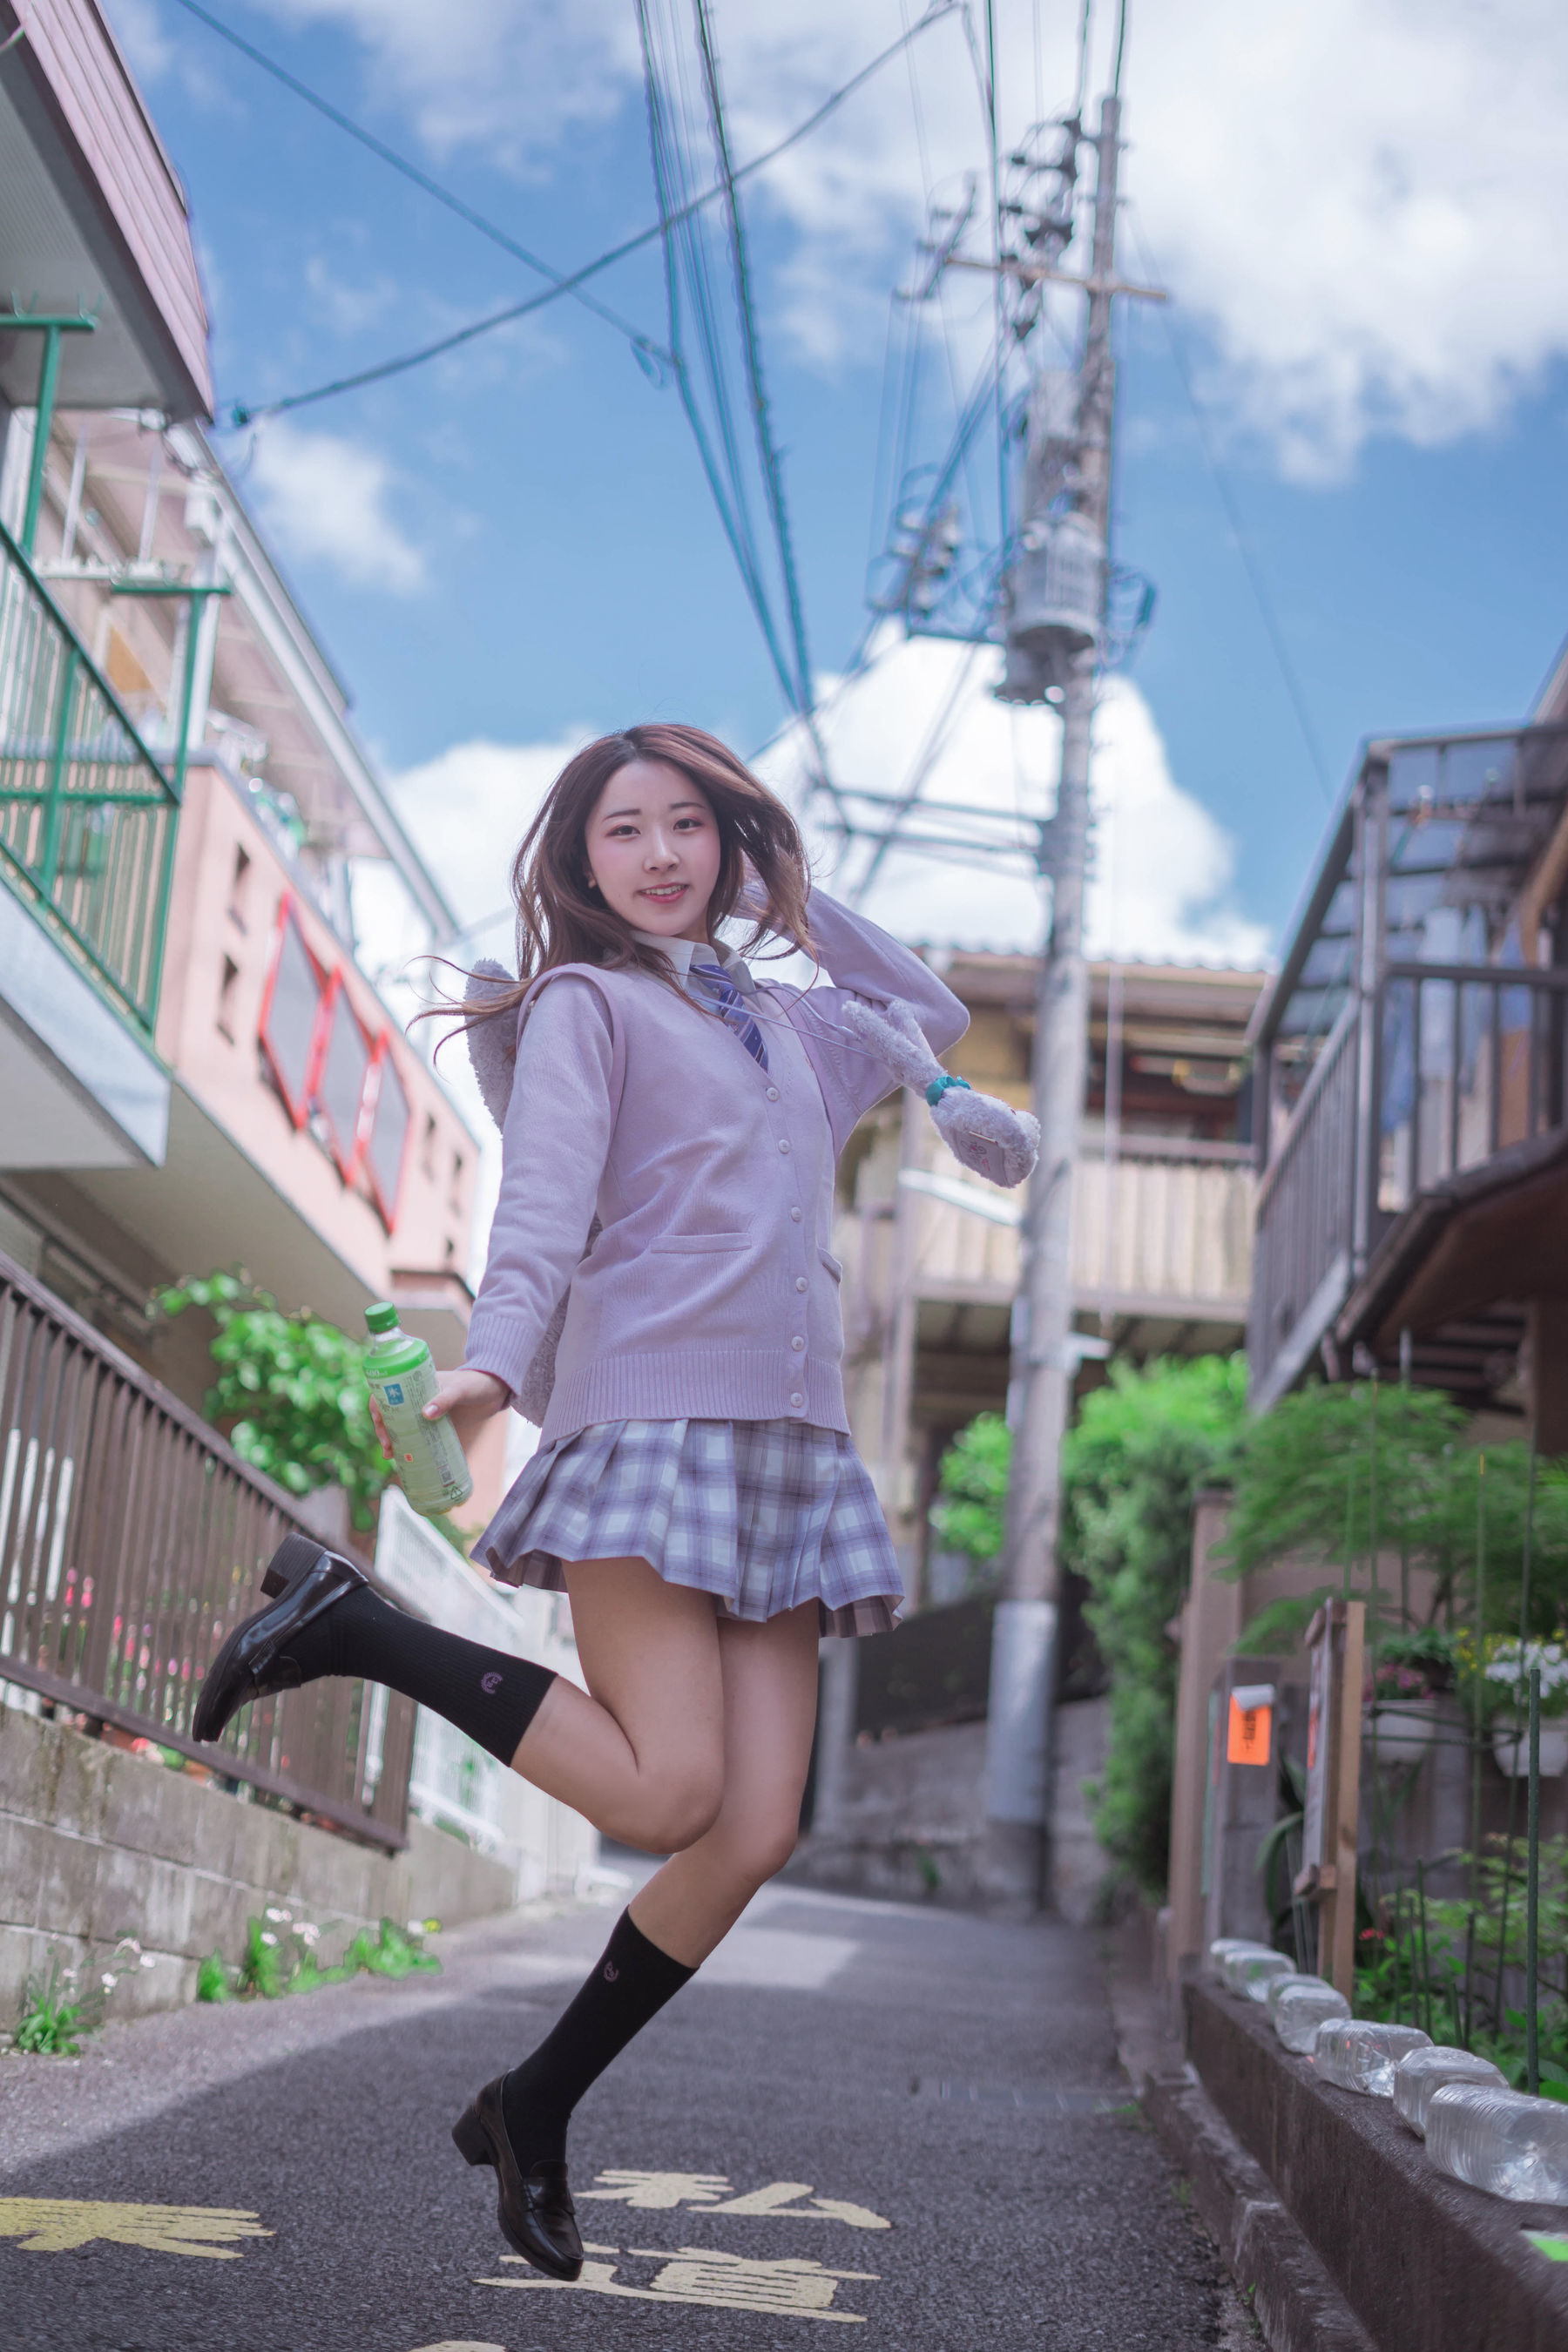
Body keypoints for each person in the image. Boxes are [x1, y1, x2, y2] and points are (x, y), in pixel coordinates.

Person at [193, 722, 966, 2281]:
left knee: (753, 1830)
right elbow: (541, 1204)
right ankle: (357, 1629)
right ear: (580, 861)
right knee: (668, 1797)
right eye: (626, 829)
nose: (661, 854)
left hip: (793, 1443)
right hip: (652, 1421)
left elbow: (928, 1016)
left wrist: (791, 898)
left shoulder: (794, 1024)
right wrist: (490, 1369)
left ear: (733, 845)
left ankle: (534, 2103)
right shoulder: (585, 1007)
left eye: (691, 825)